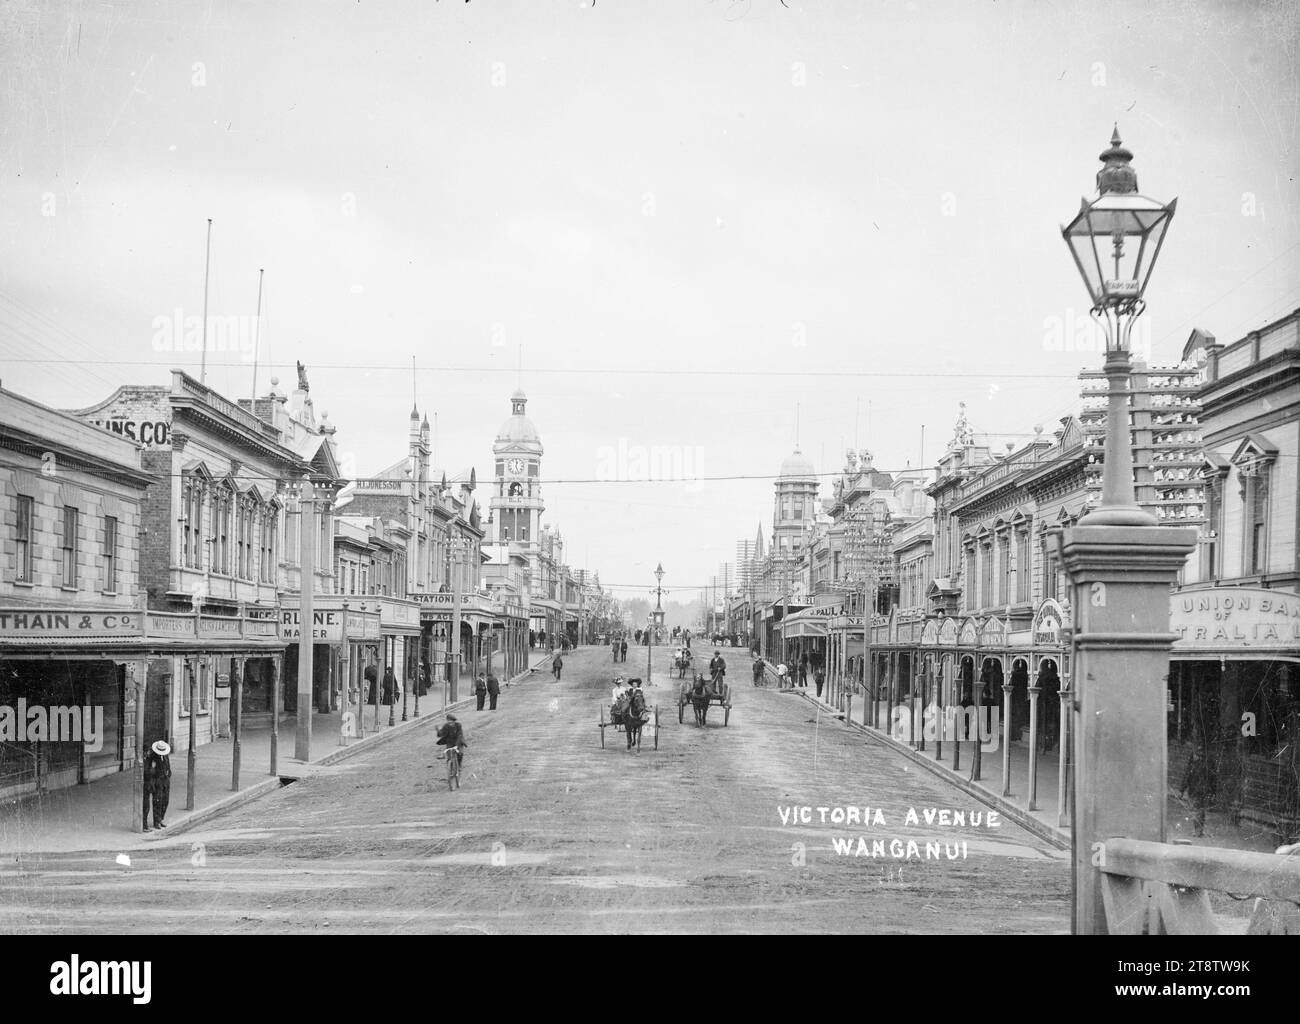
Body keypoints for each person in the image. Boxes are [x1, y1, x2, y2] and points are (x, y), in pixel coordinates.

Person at [143, 739, 172, 830]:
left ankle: (160, 819)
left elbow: (168, 767)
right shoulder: (152, 757)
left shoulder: (166, 756)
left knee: (165, 801)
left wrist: (168, 774)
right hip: (157, 781)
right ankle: (156, 821)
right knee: (157, 802)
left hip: (165, 780)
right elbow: (149, 771)